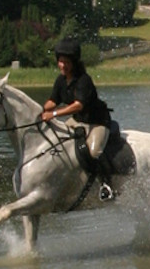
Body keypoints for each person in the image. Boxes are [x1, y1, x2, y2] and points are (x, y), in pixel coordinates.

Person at [42, 38, 116, 200]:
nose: (62, 65)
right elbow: (52, 101)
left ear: (74, 63)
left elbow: (78, 105)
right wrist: (40, 110)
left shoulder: (84, 80)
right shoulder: (61, 80)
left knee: (94, 151)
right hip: (78, 120)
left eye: (66, 62)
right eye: (60, 62)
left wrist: (53, 114)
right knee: (58, 141)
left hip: (97, 122)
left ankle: (107, 185)